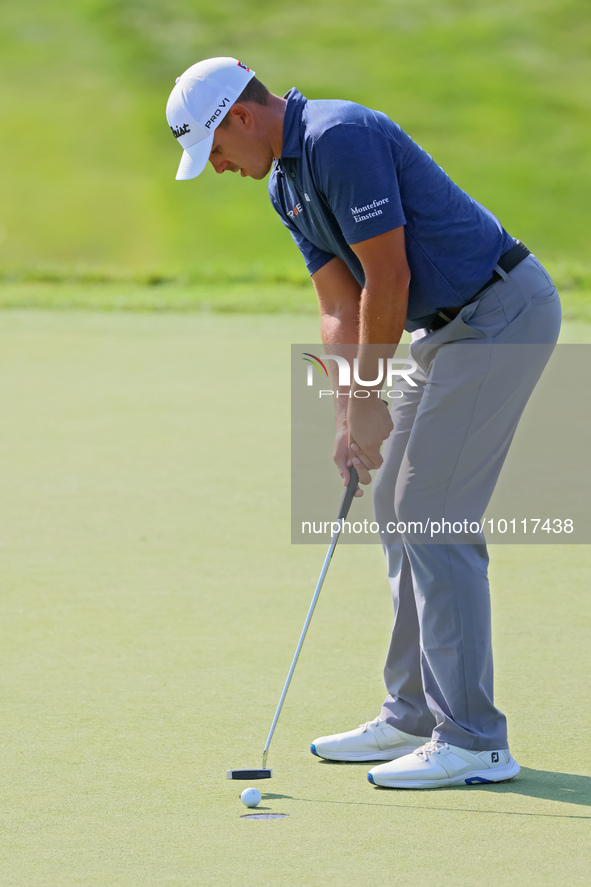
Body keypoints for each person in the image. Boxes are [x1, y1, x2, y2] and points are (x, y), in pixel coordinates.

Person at [166, 57, 561, 789]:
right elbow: (340, 305)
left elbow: (390, 277)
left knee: (431, 511)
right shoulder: (284, 183)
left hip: (499, 314)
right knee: (390, 500)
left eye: (216, 150)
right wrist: (349, 412)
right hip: (441, 334)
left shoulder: (337, 135)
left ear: (241, 117)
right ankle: (413, 714)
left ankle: (472, 738)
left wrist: (373, 393)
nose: (218, 167)